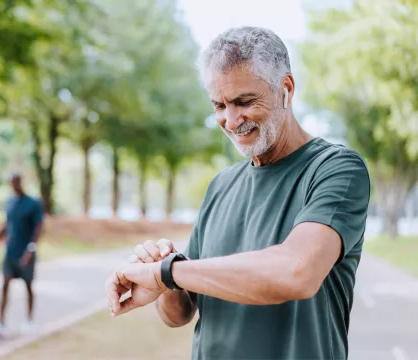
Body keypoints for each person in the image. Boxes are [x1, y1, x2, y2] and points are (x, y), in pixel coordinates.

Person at [105, 26, 371, 360]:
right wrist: (163, 280)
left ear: (286, 89)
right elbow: (181, 314)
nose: (231, 121)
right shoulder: (220, 185)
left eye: (244, 102)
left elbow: (296, 273)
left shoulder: (336, 169)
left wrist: (168, 271)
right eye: (219, 105)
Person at [0, 173, 43, 339]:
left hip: (26, 252)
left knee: (28, 286)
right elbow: (7, 224)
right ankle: (0, 322)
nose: (13, 185)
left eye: (15, 182)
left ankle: (29, 320)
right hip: (10, 251)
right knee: (4, 284)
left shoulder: (33, 203)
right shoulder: (9, 202)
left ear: (20, 182)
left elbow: (38, 227)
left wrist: (30, 249)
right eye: (10, 183)